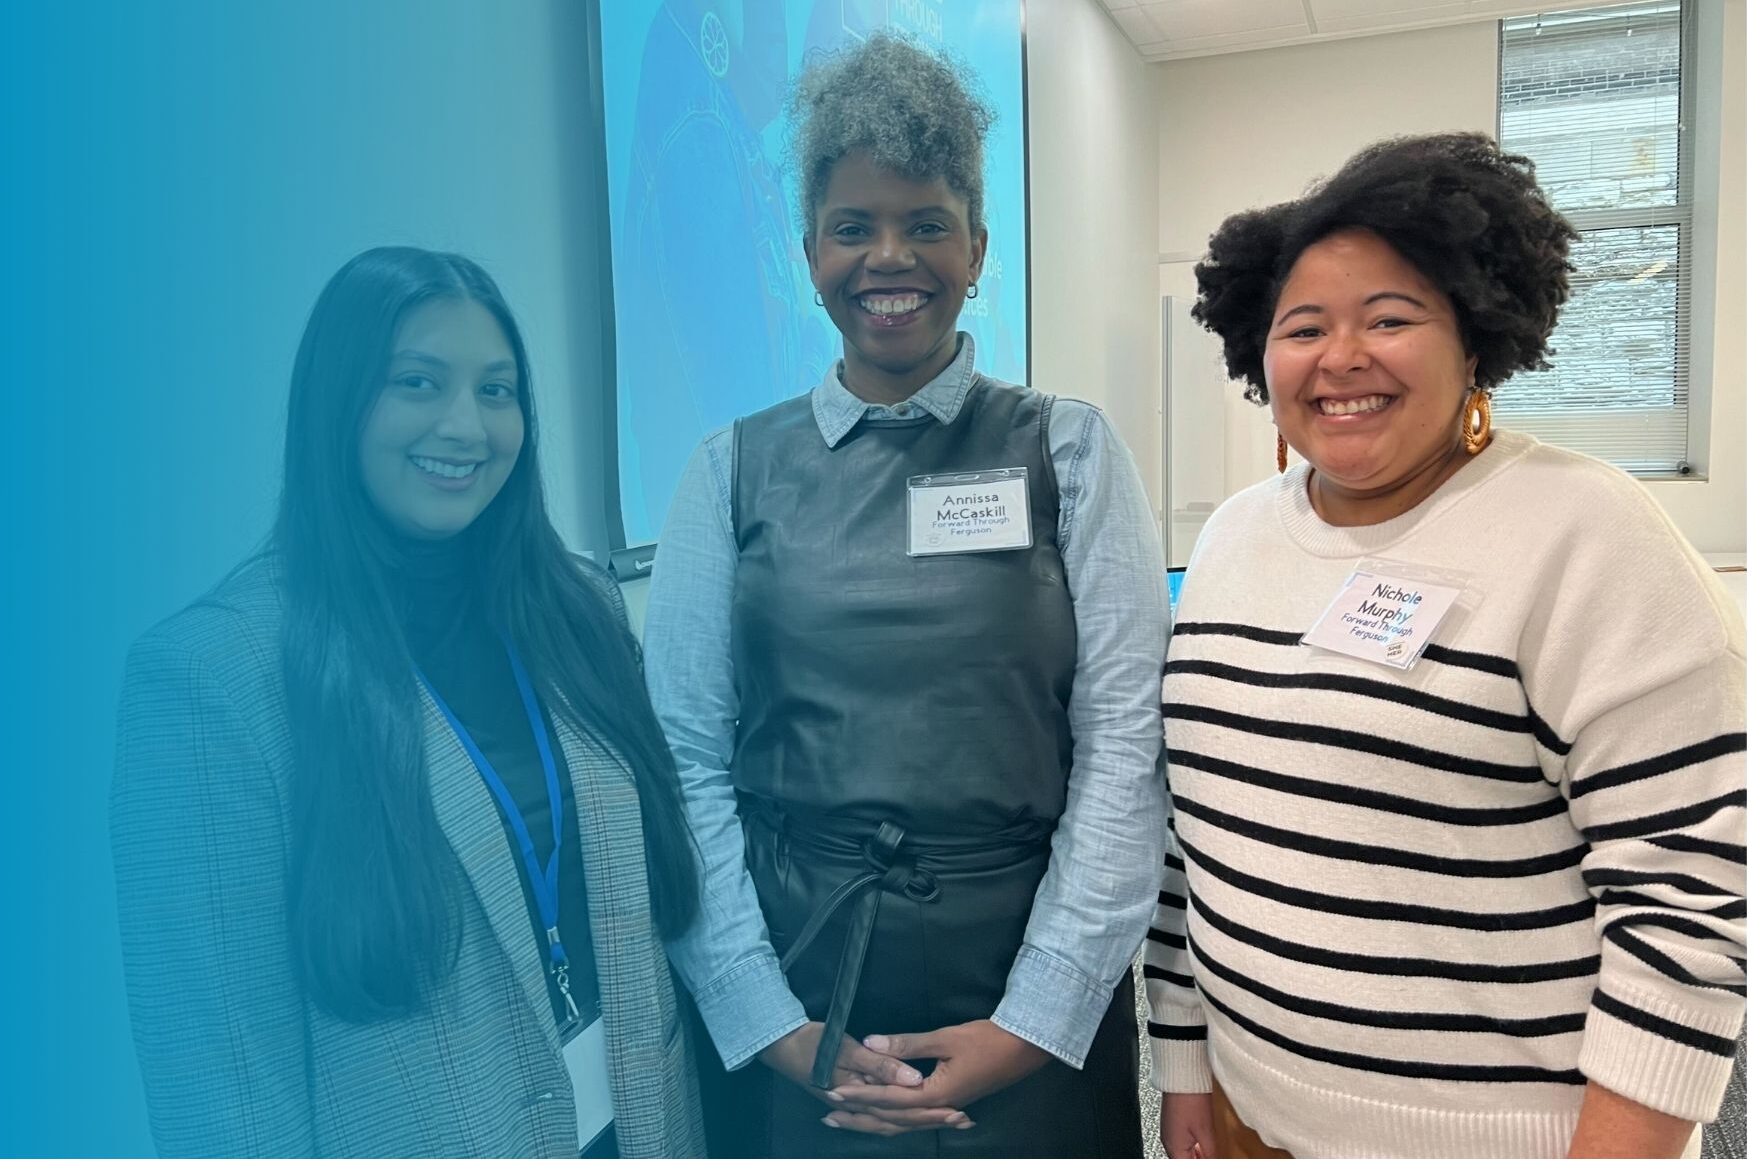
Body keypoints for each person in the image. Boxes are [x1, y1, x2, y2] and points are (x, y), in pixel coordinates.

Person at [1145, 133, 1745, 1159]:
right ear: (1259, 352)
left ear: (1473, 338)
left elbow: (1695, 887)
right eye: (1303, 327)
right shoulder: (1233, 533)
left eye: (1390, 318)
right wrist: (1186, 1067)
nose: (1342, 358)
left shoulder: (1582, 529)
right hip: (1253, 1120)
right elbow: (1190, 830)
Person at [642, 32, 1169, 1159]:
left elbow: (1126, 739)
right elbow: (684, 755)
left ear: (976, 247)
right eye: (854, 227)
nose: (891, 257)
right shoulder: (725, 471)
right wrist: (766, 1020)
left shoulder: (1067, 451)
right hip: (799, 988)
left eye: (926, 223)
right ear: (809, 252)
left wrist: (1034, 1017)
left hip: (1024, 983)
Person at [111, 247, 705, 1158]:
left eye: (497, 390)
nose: (464, 425)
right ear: (338, 403)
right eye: (418, 382)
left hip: (645, 1123)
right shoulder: (213, 678)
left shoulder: (575, 609)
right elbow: (224, 1088)